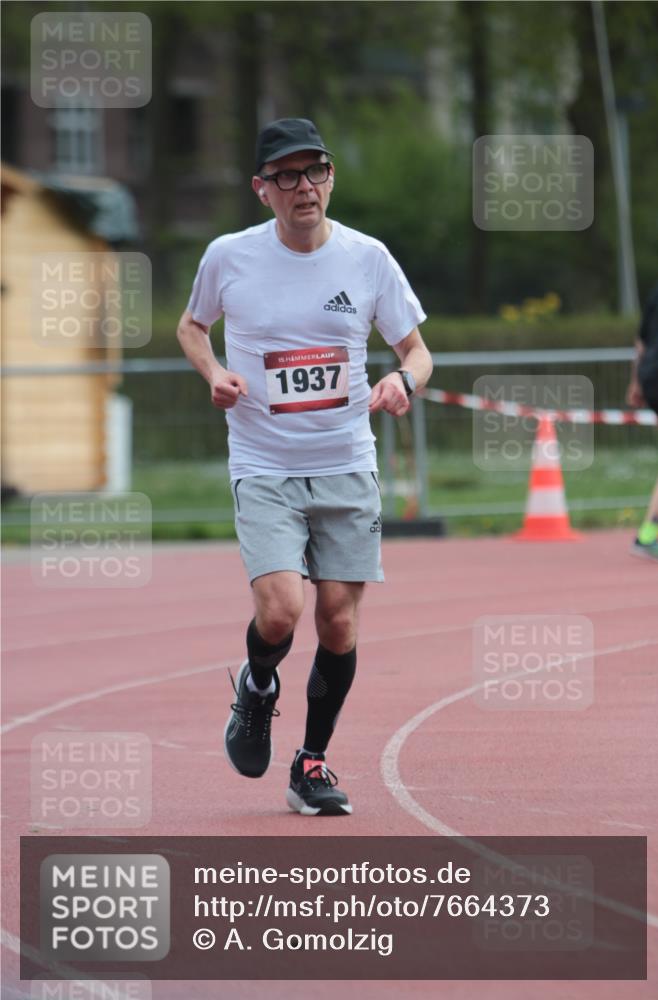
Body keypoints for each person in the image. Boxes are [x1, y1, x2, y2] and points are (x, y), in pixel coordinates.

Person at [177, 118, 432, 814]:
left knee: (339, 622)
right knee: (283, 609)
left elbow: (416, 350)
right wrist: (214, 371)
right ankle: (257, 688)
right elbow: (190, 326)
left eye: (313, 171)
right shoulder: (228, 257)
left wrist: (401, 383)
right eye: (285, 176)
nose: (303, 188)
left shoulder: (367, 258)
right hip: (264, 462)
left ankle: (311, 763)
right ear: (262, 190)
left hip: (346, 461)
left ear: (329, 178)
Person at [625, 239, 658, 561]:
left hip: (653, 375)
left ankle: (655, 530)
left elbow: (641, 343)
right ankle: (650, 531)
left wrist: (637, 382)